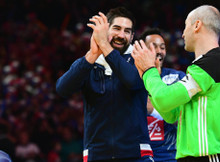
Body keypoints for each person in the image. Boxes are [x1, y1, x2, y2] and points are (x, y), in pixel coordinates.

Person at [132, 5, 220, 162]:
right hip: (194, 156)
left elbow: (164, 100)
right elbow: (171, 113)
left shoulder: (211, 64)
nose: (182, 33)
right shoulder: (209, 64)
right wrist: (150, 80)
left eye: (186, 26)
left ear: (197, 25)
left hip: (207, 156)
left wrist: (148, 71)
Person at [56, 7, 153, 161]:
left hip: (136, 154)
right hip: (97, 154)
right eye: (116, 28)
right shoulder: (88, 63)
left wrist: (104, 46)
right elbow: (62, 89)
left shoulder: (140, 59)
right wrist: (92, 55)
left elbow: (132, 82)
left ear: (132, 36)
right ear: (105, 31)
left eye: (127, 31)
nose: (121, 35)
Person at [138, 28, 186, 162]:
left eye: (162, 47)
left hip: (171, 155)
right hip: (137, 155)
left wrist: (154, 110)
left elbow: (185, 118)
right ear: (142, 51)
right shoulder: (130, 80)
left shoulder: (178, 78)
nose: (159, 51)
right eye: (153, 46)